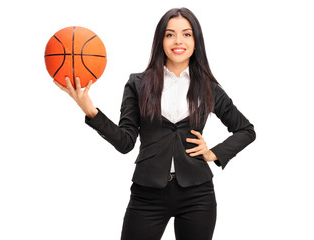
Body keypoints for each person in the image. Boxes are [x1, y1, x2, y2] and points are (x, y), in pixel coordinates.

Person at [54, 7, 255, 240]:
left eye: (186, 34)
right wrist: (89, 109)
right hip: (147, 194)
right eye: (169, 34)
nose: (178, 40)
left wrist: (213, 153)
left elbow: (246, 130)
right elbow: (125, 142)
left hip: (197, 195)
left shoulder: (209, 88)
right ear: (160, 40)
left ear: (196, 40)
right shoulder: (138, 84)